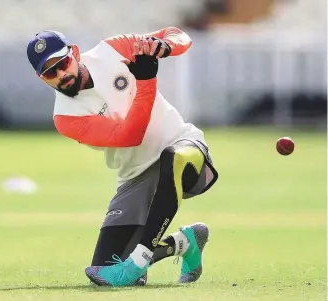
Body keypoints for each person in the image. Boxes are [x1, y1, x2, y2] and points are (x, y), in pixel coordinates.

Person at [26, 27, 218, 287]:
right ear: (42, 79)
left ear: (75, 53)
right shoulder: (65, 118)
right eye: (50, 72)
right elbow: (130, 136)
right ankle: (186, 242)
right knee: (105, 269)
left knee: (172, 158)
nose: (61, 74)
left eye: (63, 63)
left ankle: (139, 260)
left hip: (184, 148)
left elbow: (178, 35)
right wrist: (147, 82)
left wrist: (165, 47)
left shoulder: (112, 50)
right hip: (136, 176)